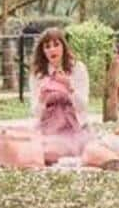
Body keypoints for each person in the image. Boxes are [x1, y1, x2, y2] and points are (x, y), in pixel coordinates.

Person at [31, 28, 90, 163]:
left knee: (63, 151)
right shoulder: (38, 74)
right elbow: (35, 113)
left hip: (73, 126)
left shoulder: (78, 69)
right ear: (43, 51)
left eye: (56, 45)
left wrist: (69, 87)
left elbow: (83, 107)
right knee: (41, 151)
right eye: (47, 47)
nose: (52, 50)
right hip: (47, 127)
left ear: (64, 47)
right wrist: (42, 98)